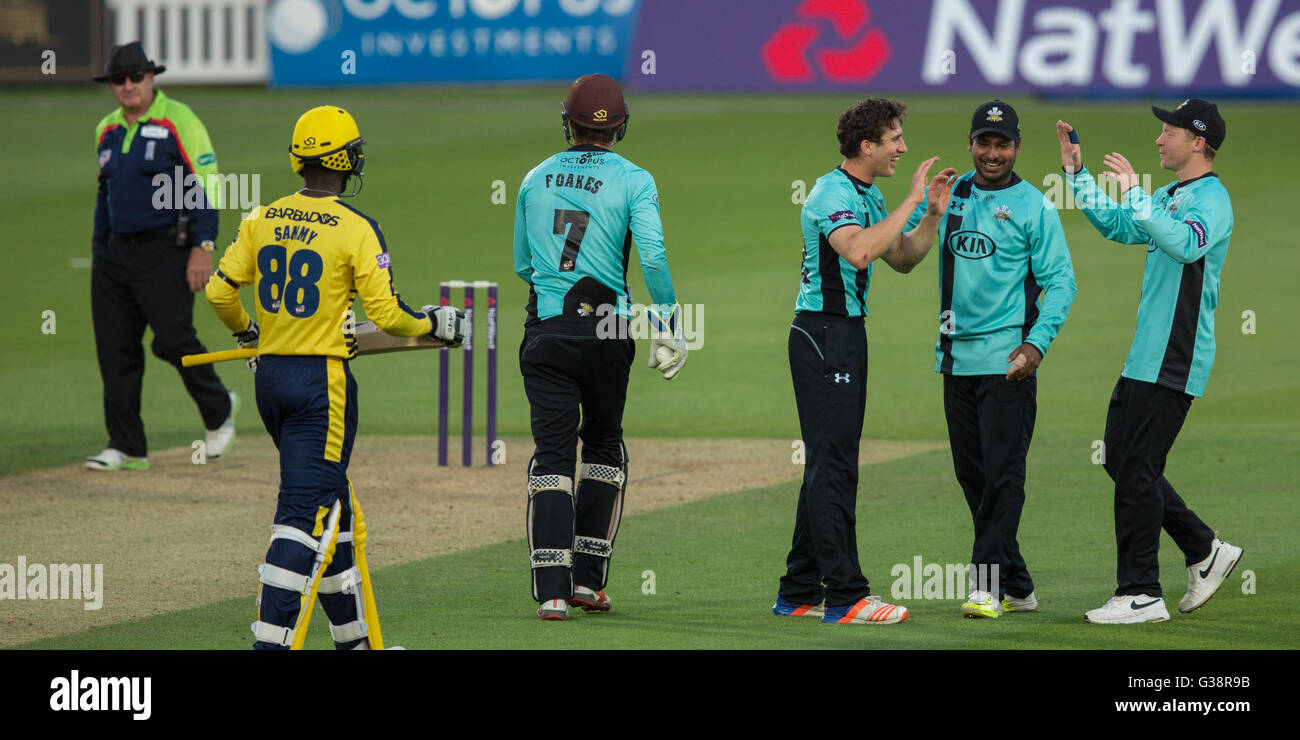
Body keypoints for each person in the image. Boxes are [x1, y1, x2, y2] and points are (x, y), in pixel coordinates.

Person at [204, 106, 464, 649]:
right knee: (301, 515)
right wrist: (433, 322)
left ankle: (354, 642)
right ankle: (268, 645)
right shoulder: (356, 228)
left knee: (333, 507)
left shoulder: (262, 217)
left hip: (270, 381)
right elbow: (389, 316)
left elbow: (219, 293)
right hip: (322, 388)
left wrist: (250, 333)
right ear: (346, 160)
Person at [886, 100, 1077, 619]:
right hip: (955, 360)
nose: (993, 153)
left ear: (1017, 148)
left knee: (1004, 476)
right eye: (983, 143)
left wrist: (1036, 344)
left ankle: (986, 584)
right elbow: (908, 256)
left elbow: (1061, 281)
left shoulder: (1035, 206)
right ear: (971, 144)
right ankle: (1018, 584)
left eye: (1003, 144)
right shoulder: (952, 195)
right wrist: (929, 210)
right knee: (974, 477)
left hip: (1008, 363)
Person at [1057, 99, 1243, 624]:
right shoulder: (1170, 194)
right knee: (1121, 459)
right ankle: (1205, 549)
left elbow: (1184, 245)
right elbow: (1122, 226)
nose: (1159, 140)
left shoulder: (1213, 201)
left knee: (1137, 468)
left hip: (1176, 357)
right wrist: (1077, 175)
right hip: (1147, 355)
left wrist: (1138, 194)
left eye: (1169, 132)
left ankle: (1140, 592)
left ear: (1198, 141)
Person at [772, 98, 954, 625]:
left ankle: (799, 589)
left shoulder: (866, 194)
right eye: (894, 138)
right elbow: (857, 252)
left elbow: (900, 257)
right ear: (866, 146)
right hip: (822, 336)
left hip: (844, 336)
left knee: (830, 459)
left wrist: (931, 217)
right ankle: (847, 596)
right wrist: (913, 198)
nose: (903, 147)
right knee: (835, 464)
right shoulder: (831, 194)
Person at [514, 73, 685, 621]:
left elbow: (523, 263)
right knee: (605, 446)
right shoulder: (635, 178)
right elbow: (653, 257)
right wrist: (667, 322)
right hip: (609, 330)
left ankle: (554, 592)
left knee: (553, 456)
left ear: (568, 121)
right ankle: (588, 582)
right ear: (621, 125)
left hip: (546, 330)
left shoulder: (533, 178)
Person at [87, 41, 237, 471]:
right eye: (120, 79)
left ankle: (220, 408)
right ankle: (127, 446)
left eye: (137, 77)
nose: (129, 86)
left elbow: (207, 185)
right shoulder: (107, 130)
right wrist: (100, 251)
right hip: (115, 255)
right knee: (115, 350)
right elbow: (105, 194)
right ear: (111, 85)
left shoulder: (180, 121)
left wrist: (203, 246)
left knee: (173, 340)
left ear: (152, 78)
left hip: (168, 249)